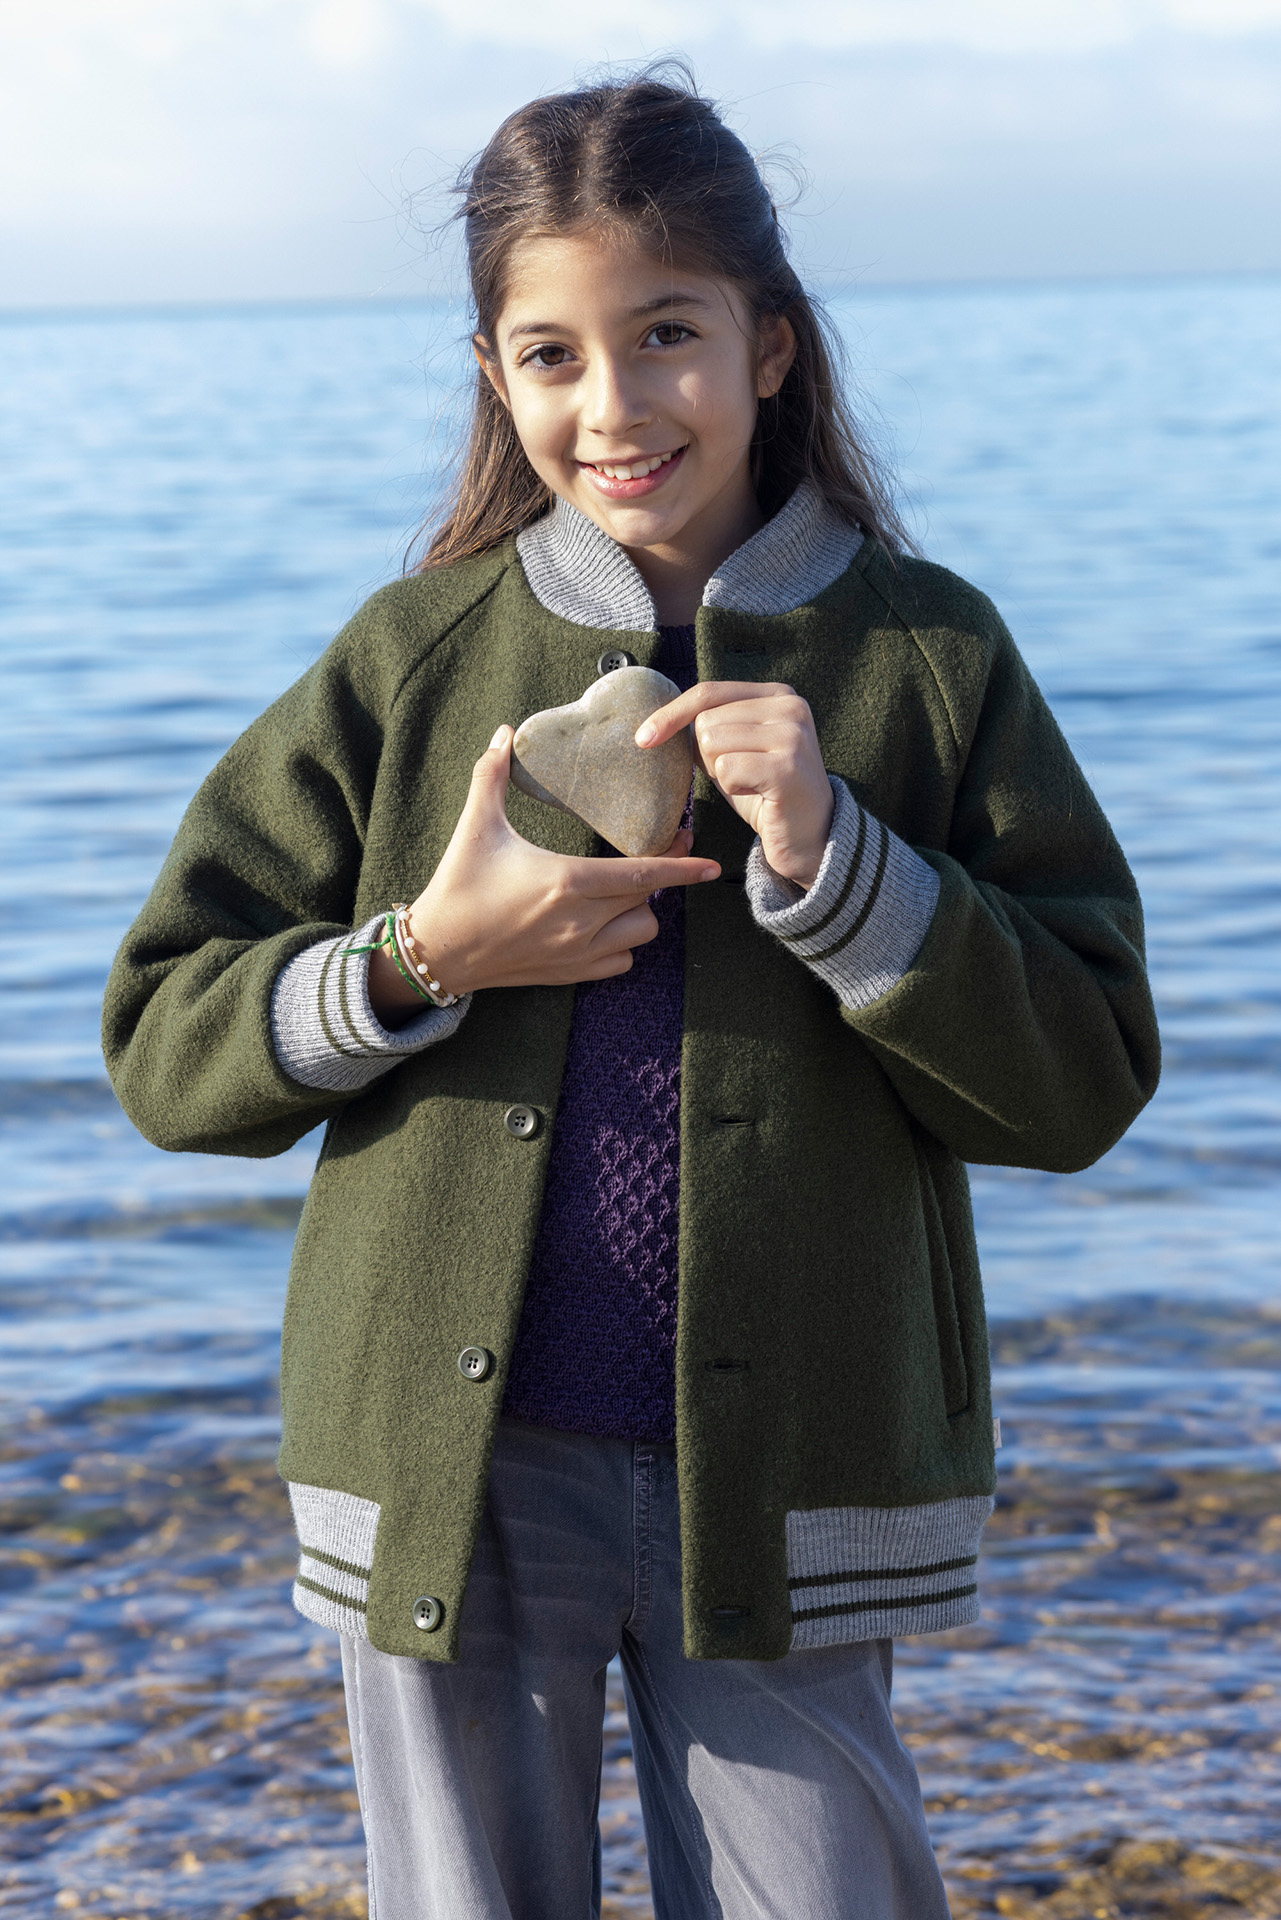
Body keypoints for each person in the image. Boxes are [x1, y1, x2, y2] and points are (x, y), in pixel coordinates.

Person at [103, 66, 1160, 1920]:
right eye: (548, 355)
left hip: (795, 1460)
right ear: (496, 378)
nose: (610, 404)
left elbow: (1078, 1082)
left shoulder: (926, 656)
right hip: (446, 1464)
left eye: (661, 335)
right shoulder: (410, 655)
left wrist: (845, 869)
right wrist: (427, 957)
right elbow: (166, 1046)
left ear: (769, 344)